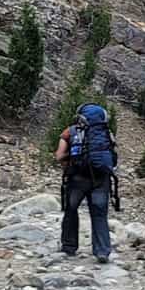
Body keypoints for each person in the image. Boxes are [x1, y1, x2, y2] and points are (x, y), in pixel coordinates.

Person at [55, 103, 117, 263]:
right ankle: (102, 251)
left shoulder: (70, 132)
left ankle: (69, 246)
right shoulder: (106, 133)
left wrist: (75, 155)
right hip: (101, 179)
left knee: (71, 210)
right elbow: (113, 156)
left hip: (77, 179)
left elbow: (59, 156)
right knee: (99, 214)